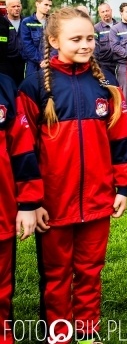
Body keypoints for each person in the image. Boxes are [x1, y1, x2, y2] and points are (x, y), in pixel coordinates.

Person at [15, 7, 127, 343]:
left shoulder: (106, 84)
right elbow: (23, 150)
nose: (86, 45)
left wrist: (124, 186)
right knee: (56, 276)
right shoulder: (34, 87)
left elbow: (123, 139)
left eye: (90, 38)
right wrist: (31, 201)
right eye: (76, 39)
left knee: (89, 272)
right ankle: (59, 335)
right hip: (53, 205)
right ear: (54, 40)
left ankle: (87, 332)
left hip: (98, 200)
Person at [0, 72, 38, 331]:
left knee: (1, 289)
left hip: (2, 211)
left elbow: (23, 149)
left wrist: (27, 204)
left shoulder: (5, 86)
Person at [20, 0, 53, 77]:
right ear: (37, 4)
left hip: (50, 62)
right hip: (32, 64)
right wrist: (41, 60)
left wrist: (49, 60)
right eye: (46, 5)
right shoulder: (26, 22)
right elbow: (27, 45)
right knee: (31, 87)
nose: (48, 8)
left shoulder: (53, 22)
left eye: (50, 6)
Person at [0, 0, 25, 85]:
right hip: (5, 62)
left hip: (23, 62)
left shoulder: (26, 22)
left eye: (18, 6)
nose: (16, 9)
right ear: (7, 8)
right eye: (13, 6)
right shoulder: (2, 23)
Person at [94, 2, 118, 76]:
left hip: (119, 64)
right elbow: (94, 48)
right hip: (104, 65)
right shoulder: (96, 28)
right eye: (103, 12)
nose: (105, 13)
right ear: (99, 14)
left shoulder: (119, 26)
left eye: (107, 11)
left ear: (111, 11)